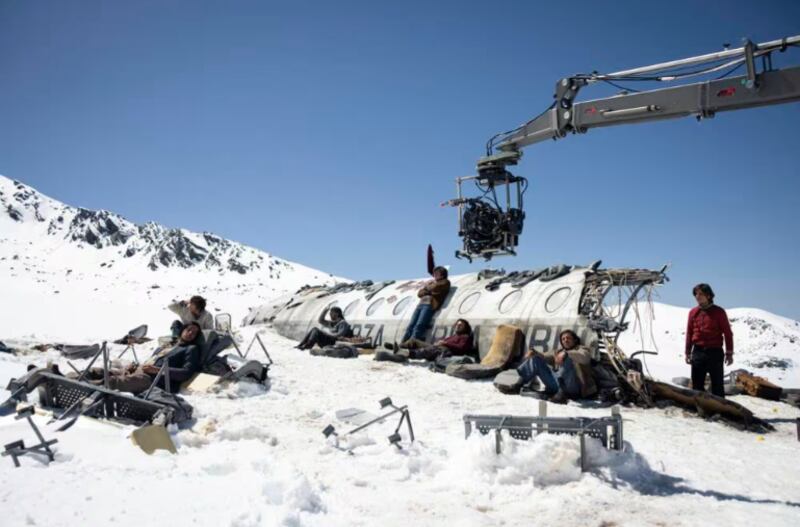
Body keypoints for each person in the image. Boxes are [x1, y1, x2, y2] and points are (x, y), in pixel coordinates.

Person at [77, 322, 204, 394]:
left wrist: (158, 370)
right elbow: (153, 360)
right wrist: (135, 367)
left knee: (112, 382)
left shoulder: (191, 349)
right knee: (98, 371)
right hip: (140, 372)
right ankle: (69, 378)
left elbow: (186, 373)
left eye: (194, 333)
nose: (190, 333)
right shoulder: (169, 344)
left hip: (154, 380)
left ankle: (78, 387)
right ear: (182, 330)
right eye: (189, 329)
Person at [516, 329, 597, 403]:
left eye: (568, 338)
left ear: (575, 340)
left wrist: (567, 353)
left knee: (568, 358)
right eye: (563, 339)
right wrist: (534, 353)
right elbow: (544, 356)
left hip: (573, 387)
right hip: (556, 385)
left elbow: (585, 357)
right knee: (536, 359)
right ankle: (518, 385)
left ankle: (562, 394)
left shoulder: (581, 349)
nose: (566, 340)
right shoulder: (558, 352)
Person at [685, 283, 733, 398]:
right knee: (697, 385)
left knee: (717, 385)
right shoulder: (693, 313)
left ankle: (720, 412)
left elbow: (727, 333)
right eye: (696, 294)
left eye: (701, 294)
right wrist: (687, 352)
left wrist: (729, 353)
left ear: (709, 295)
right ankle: (700, 411)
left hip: (715, 352)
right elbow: (689, 333)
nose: (697, 296)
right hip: (698, 352)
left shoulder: (719, 312)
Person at [399, 266, 451, 346]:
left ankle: (411, 344)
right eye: (434, 273)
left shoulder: (445, 282)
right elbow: (419, 293)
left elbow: (435, 289)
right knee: (411, 325)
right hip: (421, 304)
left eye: (437, 273)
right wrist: (428, 289)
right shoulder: (432, 283)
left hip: (429, 305)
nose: (435, 275)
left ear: (442, 275)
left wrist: (427, 288)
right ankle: (402, 343)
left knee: (419, 325)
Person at [380, 319, 474, 363]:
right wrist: (440, 342)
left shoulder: (465, 337)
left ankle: (404, 352)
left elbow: (461, 348)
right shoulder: (454, 335)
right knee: (414, 341)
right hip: (438, 347)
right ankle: (397, 348)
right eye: (457, 325)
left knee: (427, 351)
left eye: (460, 325)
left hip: (446, 352)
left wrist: (445, 343)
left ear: (465, 327)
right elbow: (444, 342)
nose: (458, 326)